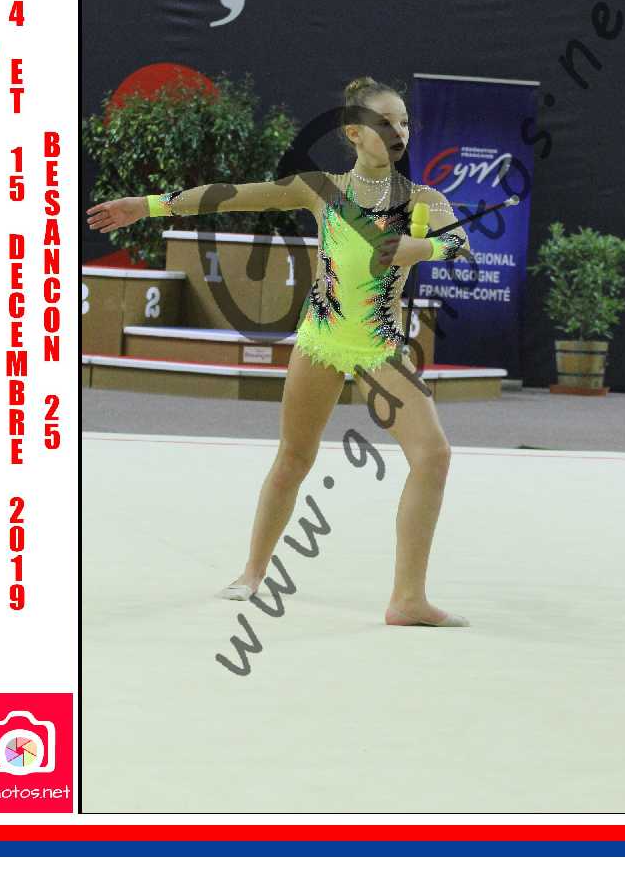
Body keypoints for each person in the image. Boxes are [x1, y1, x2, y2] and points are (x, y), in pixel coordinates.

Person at [86, 76, 472, 626]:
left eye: (405, 122)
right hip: (321, 341)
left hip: (381, 347)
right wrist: (147, 206)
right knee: (294, 458)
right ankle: (252, 571)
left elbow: (458, 242)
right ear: (353, 132)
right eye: (385, 122)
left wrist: (421, 246)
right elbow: (231, 196)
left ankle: (407, 599)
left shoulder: (422, 200)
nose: (399, 132)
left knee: (433, 455)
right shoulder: (322, 189)